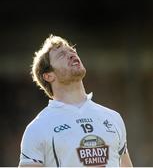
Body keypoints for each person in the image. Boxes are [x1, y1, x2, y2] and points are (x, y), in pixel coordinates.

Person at [18, 34, 133, 167]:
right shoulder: (38, 128)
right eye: (61, 55)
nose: (72, 54)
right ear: (49, 75)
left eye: (72, 51)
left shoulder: (113, 118)